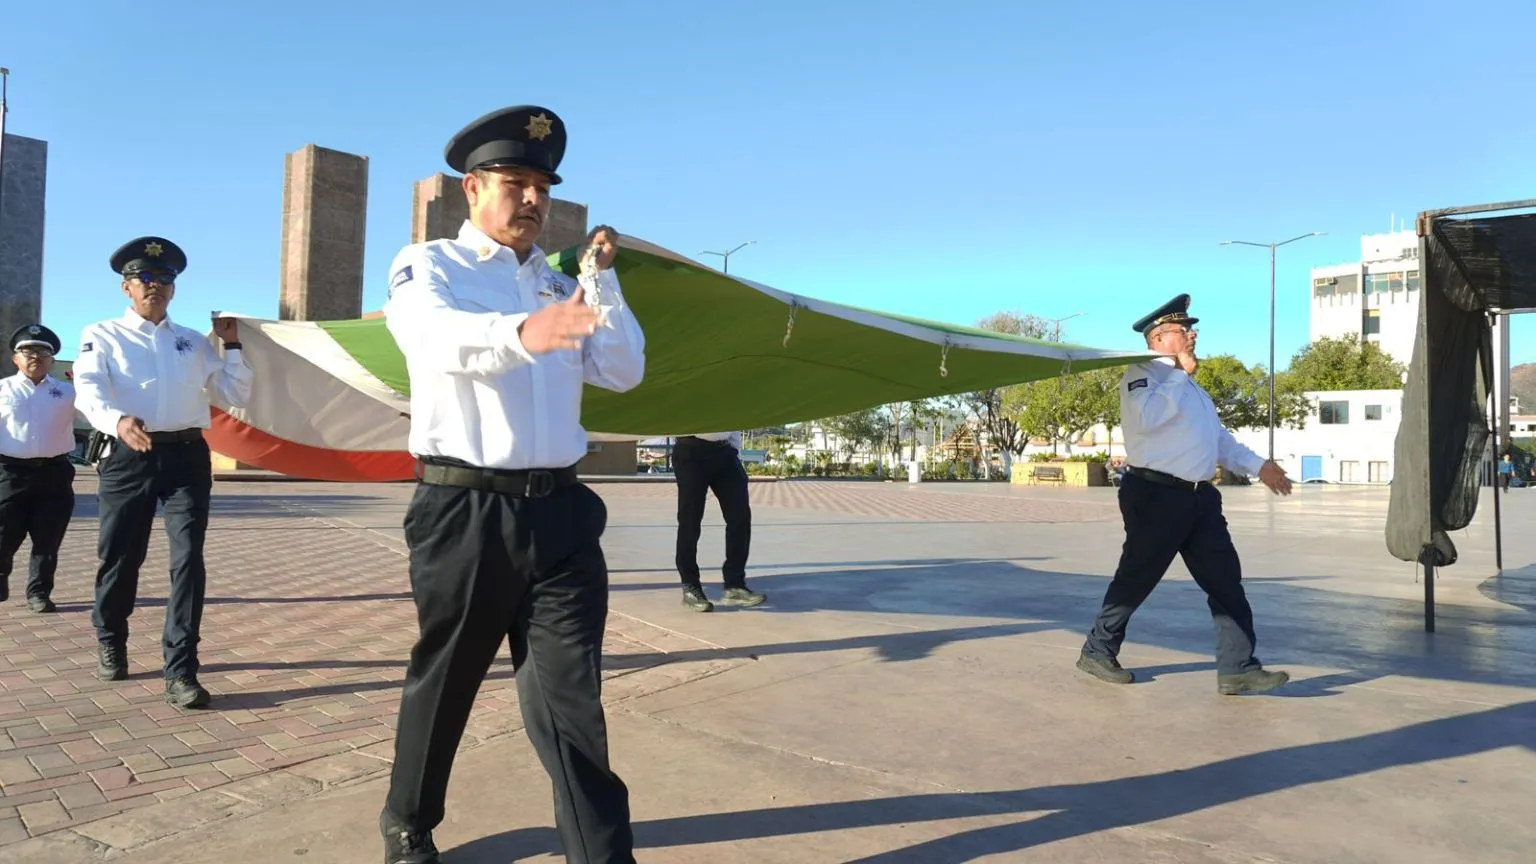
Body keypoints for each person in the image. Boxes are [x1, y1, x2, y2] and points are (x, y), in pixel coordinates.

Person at [378, 104, 646, 864]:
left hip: (561, 515)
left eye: (542, 187)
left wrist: (603, 283)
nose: (532, 199)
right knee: (448, 682)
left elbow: (624, 370)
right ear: (473, 188)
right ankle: (409, 821)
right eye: (515, 182)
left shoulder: (556, 284)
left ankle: (601, 854)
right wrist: (522, 334)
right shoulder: (429, 266)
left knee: (572, 704)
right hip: (465, 511)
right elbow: (432, 337)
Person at [1076, 293, 1293, 696]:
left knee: (1226, 582)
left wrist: (1259, 465)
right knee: (1137, 577)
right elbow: (1149, 418)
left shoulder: (1193, 390)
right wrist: (1180, 376)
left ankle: (1238, 669)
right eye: (1183, 330)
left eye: (1192, 329)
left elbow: (1218, 441)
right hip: (1156, 494)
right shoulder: (1141, 375)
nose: (1192, 335)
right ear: (1159, 338)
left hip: (1200, 500)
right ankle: (1098, 649)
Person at [72, 237, 253, 709]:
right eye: (146, 279)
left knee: (188, 560)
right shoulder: (102, 334)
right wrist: (116, 420)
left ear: (173, 290)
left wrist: (231, 344)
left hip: (186, 459)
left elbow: (236, 393)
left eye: (164, 279)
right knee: (120, 558)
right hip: (128, 457)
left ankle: (181, 669)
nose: (155, 286)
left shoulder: (191, 341)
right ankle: (111, 636)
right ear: (126, 287)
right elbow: (88, 390)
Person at [0, 324, 77, 613]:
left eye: (43, 351)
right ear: (15, 358)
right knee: (4, 532)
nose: (36, 356)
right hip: (10, 472)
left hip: (53, 473)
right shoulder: (2, 389)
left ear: (52, 360)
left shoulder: (67, 392)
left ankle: (39, 592)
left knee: (48, 537)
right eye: (28, 351)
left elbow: (97, 412)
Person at [673, 431, 765, 611]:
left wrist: (734, 450)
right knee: (690, 521)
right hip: (690, 451)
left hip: (725, 452)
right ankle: (690, 586)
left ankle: (735, 585)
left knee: (740, 517)